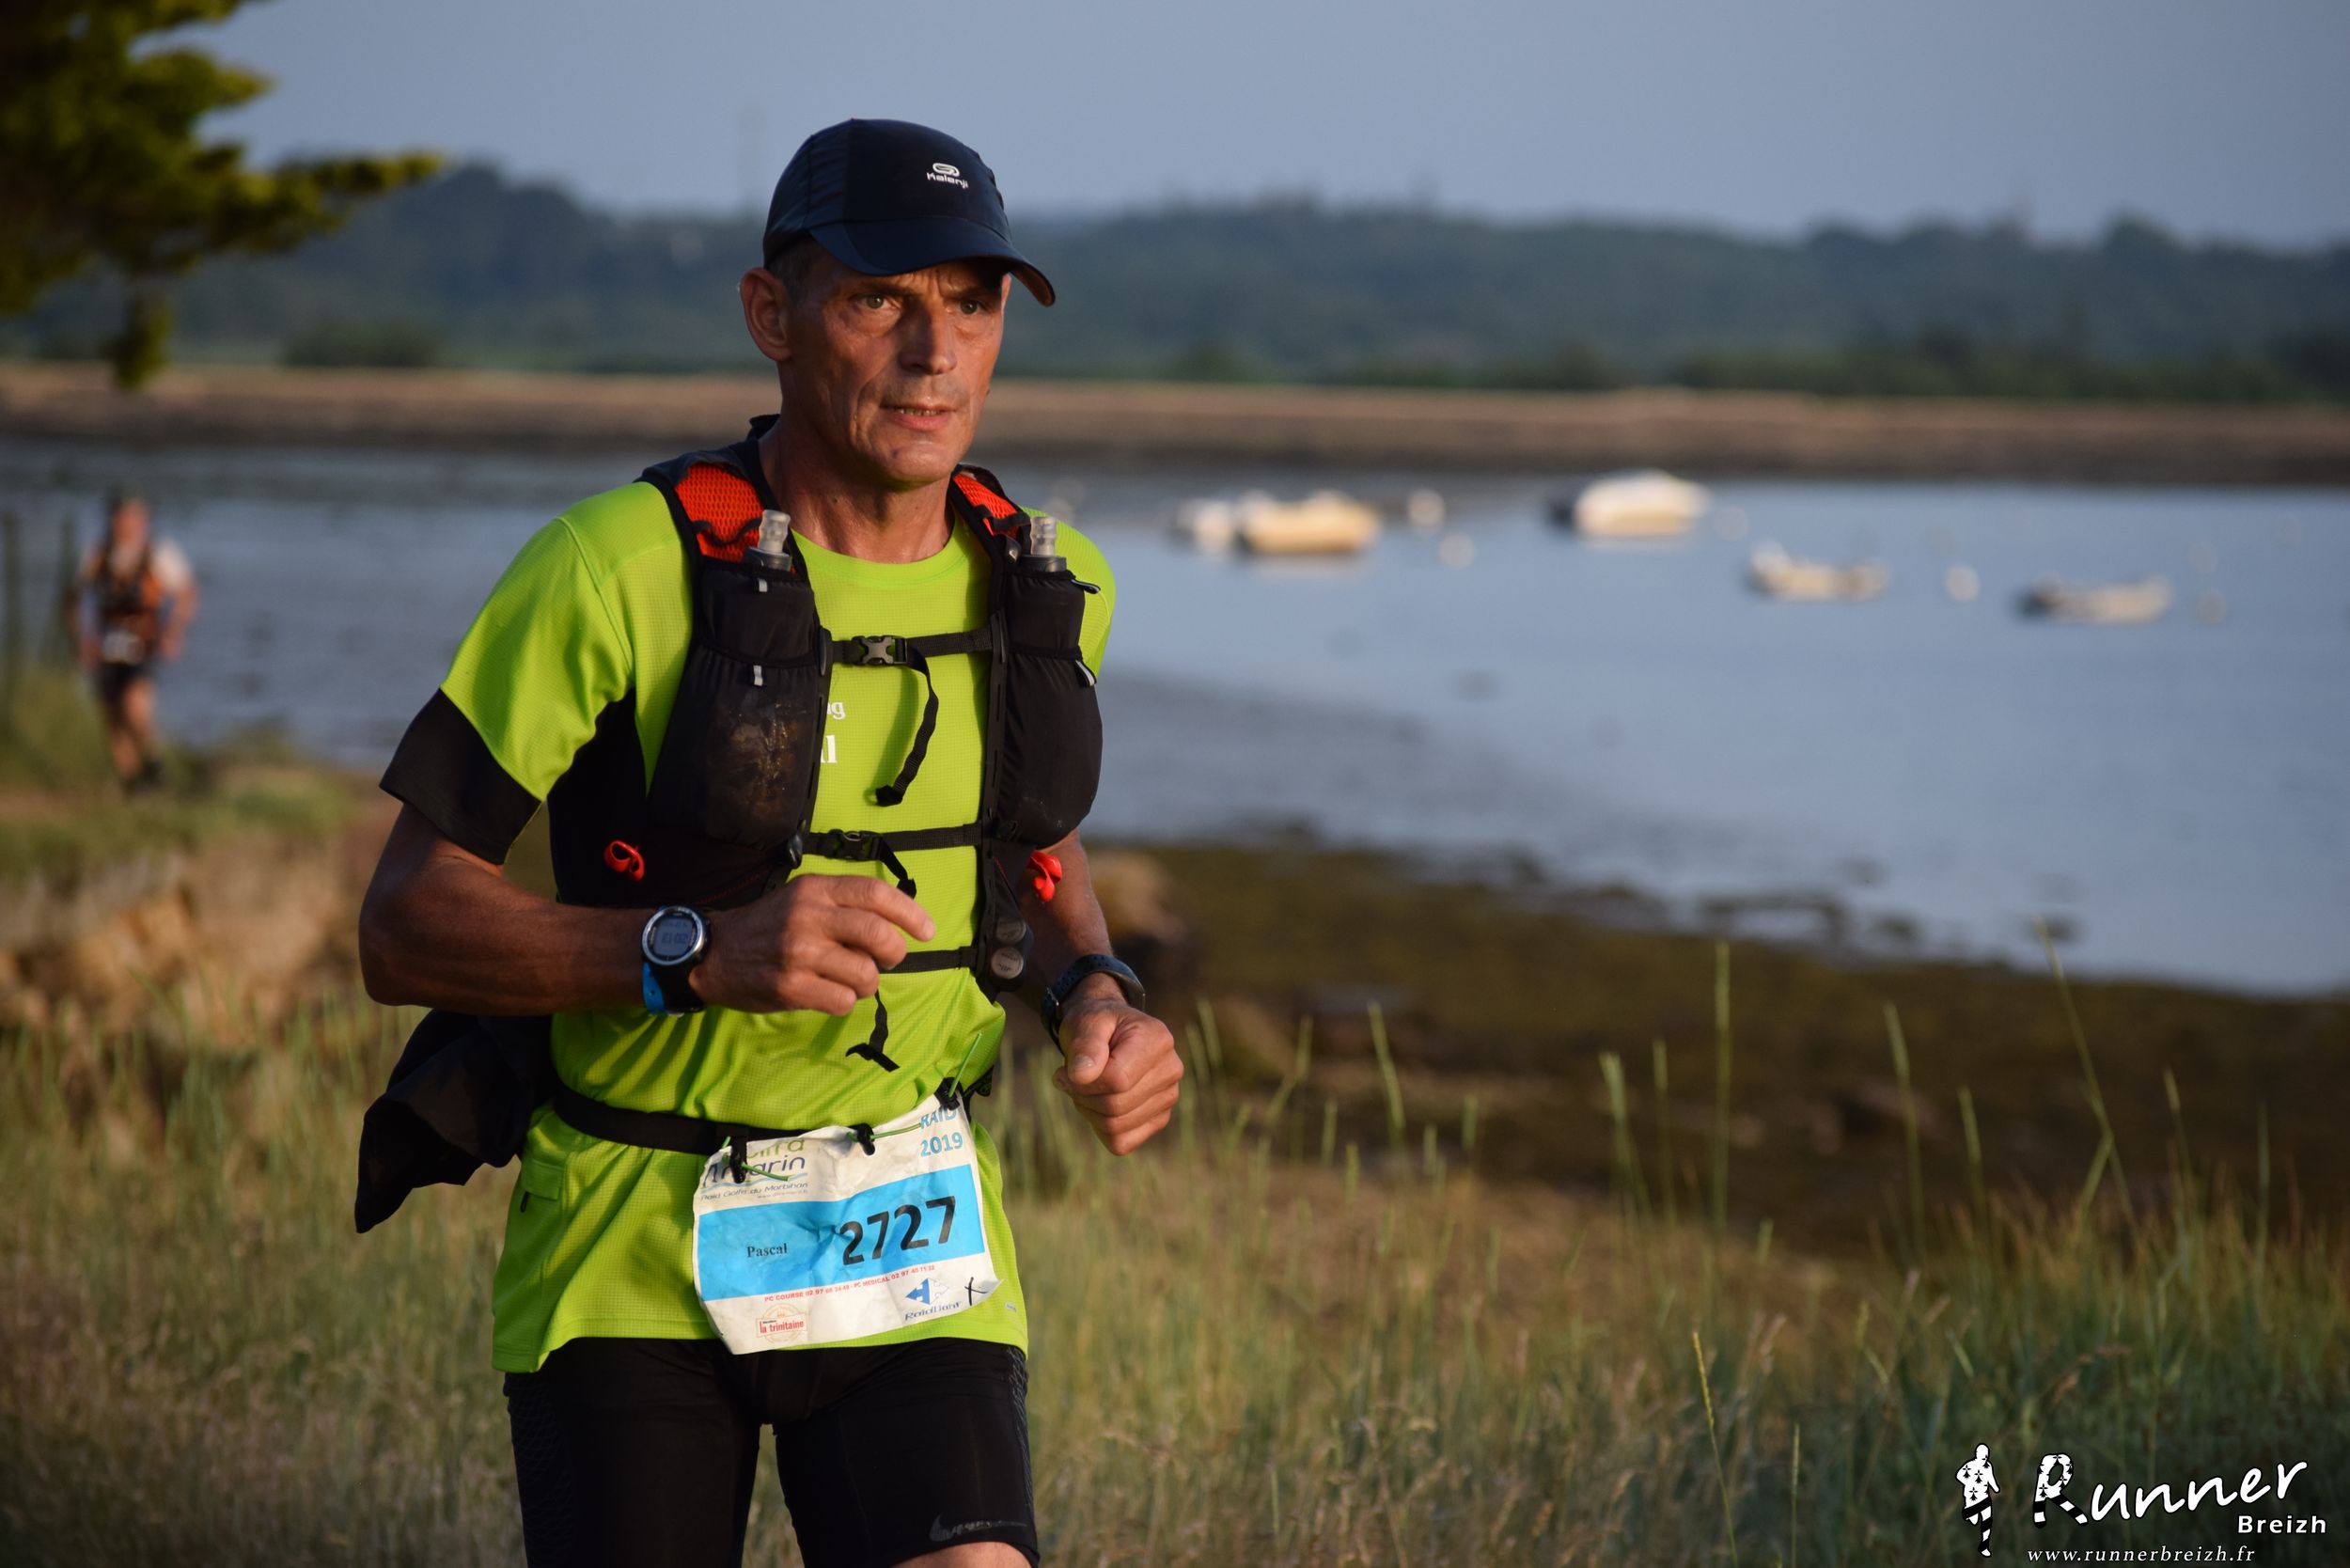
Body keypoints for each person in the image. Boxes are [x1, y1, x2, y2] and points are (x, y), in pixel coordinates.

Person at [356, 118, 1183, 1568]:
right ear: (771, 315)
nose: (935, 354)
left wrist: (1098, 991)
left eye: (972, 302)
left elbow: (1030, 847)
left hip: (909, 1228)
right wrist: (696, 952)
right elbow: (405, 919)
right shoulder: (611, 568)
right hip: (631, 1233)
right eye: (879, 299)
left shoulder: (1051, 586)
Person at [65, 486, 198, 791]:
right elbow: (71, 599)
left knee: (134, 706)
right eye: (121, 516)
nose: (127, 523)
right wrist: (81, 639)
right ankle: (133, 785)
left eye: (134, 516)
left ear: (144, 519)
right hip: (107, 644)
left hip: (143, 643)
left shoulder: (158, 553)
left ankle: (153, 762)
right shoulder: (97, 555)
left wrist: (174, 630)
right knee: (112, 715)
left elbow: (188, 593)